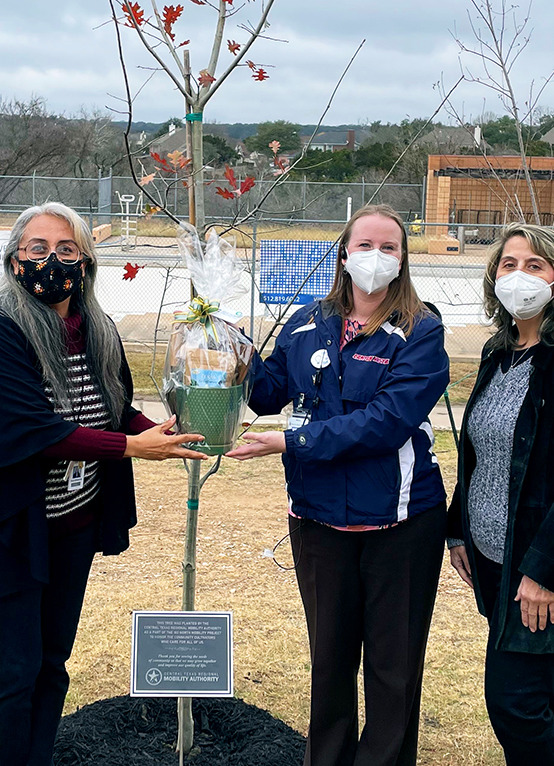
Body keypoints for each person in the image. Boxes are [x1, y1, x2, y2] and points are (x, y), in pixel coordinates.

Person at [0, 201, 205, 766]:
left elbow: (112, 406)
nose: (52, 261)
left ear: (85, 263)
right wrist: (133, 447)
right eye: (37, 249)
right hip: (11, 526)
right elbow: (38, 431)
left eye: (66, 249)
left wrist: (156, 429)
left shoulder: (97, 329)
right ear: (14, 263)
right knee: (15, 667)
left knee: (54, 658)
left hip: (73, 525)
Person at [231, 204, 451, 766]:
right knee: (329, 661)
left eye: (389, 247)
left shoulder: (421, 330)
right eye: (365, 246)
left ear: (403, 260)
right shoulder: (307, 322)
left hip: (400, 524)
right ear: (343, 254)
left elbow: (386, 422)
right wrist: (225, 333)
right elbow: (265, 393)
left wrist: (291, 443)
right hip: (319, 521)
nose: (375, 257)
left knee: (392, 666)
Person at [446, 223, 554, 766]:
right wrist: (459, 529)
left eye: (535, 265)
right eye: (508, 264)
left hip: (540, 566)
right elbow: (479, 452)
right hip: (494, 557)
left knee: (514, 700)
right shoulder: (500, 353)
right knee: (542, 688)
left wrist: (545, 574)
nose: (519, 275)